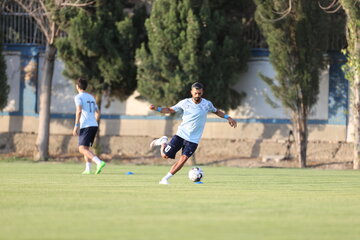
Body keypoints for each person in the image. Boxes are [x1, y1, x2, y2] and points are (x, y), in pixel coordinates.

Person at [149, 82, 237, 184]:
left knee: (183, 159)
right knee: (165, 155)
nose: (197, 95)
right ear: (191, 92)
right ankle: (163, 141)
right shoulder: (184, 103)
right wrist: (157, 108)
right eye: (195, 93)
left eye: (199, 93)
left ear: (202, 92)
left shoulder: (207, 104)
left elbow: (217, 111)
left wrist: (228, 118)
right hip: (181, 135)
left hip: (193, 140)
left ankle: (165, 179)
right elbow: (169, 109)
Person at [73, 78, 106, 175]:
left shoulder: (78, 97)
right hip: (93, 125)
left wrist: (76, 126)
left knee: (81, 149)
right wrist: (93, 122)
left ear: (77, 86)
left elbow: (78, 111)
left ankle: (99, 162)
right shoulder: (91, 97)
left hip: (86, 125)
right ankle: (88, 169)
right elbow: (98, 113)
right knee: (86, 148)